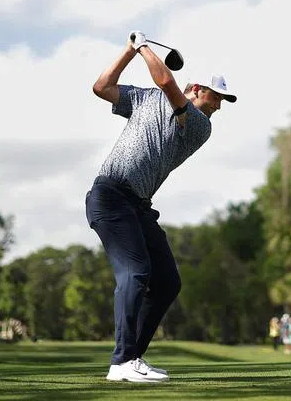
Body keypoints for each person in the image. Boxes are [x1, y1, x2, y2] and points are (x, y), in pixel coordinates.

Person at [86, 31, 236, 383]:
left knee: (166, 281)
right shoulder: (145, 99)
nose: (219, 105)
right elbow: (101, 87)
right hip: (109, 196)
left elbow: (167, 82)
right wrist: (127, 51)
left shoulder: (200, 126)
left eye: (224, 100)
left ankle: (131, 357)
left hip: (136, 206)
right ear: (197, 88)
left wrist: (142, 47)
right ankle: (121, 362)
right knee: (136, 273)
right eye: (217, 96)